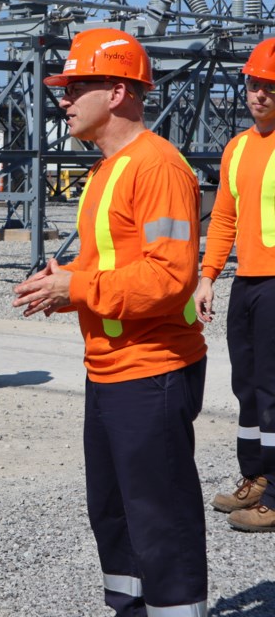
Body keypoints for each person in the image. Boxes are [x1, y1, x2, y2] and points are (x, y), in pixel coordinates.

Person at [12, 29, 207, 616]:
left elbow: (170, 279)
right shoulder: (106, 172)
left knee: (160, 517)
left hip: (153, 371)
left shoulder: (158, 169)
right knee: (115, 511)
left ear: (118, 92)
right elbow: (115, 267)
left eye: (75, 87)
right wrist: (65, 288)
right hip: (110, 369)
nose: (63, 100)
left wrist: (79, 285)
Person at [195, 37, 275, 532]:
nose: (259, 95)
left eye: (269, 87)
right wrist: (207, 277)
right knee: (246, 385)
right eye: (253, 84)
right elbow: (223, 217)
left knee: (273, 389)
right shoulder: (238, 148)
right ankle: (255, 477)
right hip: (247, 282)